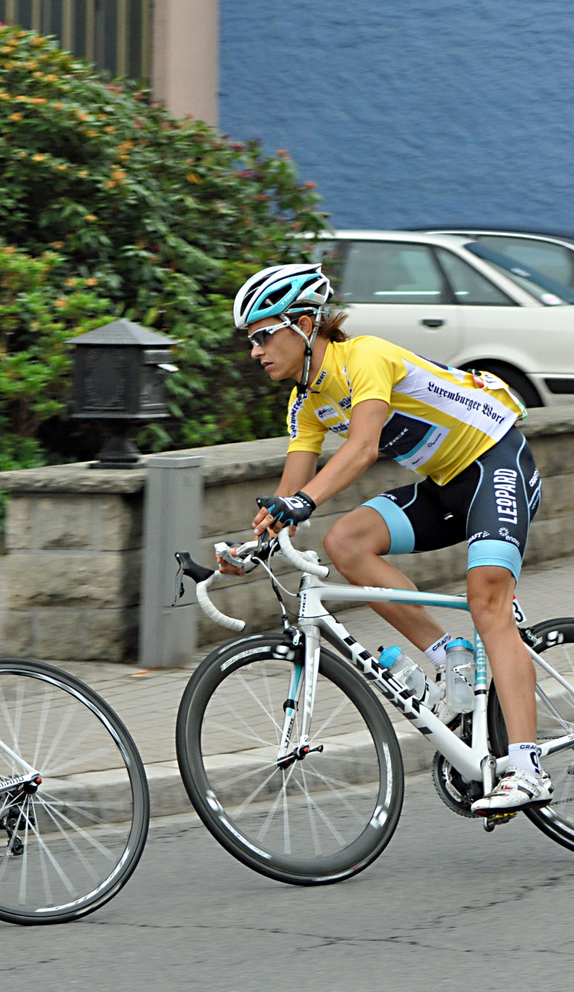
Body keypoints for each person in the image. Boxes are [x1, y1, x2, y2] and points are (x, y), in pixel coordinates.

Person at [226, 264, 547, 814]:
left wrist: (302, 503)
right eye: (249, 341)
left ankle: (526, 767)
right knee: (346, 541)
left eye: (262, 335)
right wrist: (255, 543)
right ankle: (450, 655)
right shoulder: (305, 403)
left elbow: (364, 447)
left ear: (305, 324)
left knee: (487, 599)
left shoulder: (365, 357)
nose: (255, 351)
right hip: (446, 484)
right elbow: (290, 491)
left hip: (496, 462)